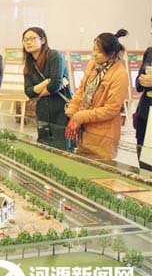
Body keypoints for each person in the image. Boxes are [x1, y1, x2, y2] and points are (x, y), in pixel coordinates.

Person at [65, 30, 130, 160]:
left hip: (103, 135)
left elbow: (111, 109)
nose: (94, 54)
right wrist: (72, 112)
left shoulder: (120, 74)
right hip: (84, 130)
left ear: (111, 54)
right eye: (94, 50)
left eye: (99, 52)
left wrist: (81, 116)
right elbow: (81, 90)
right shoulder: (93, 65)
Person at [22, 27, 72, 149]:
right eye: (25, 40)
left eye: (32, 38)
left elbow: (55, 84)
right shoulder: (29, 64)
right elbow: (28, 92)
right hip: (42, 110)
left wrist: (37, 92)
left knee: (61, 146)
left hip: (61, 110)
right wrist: (45, 82)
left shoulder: (54, 55)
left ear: (43, 40)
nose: (28, 42)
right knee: (44, 145)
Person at [134, 31, 152, 170]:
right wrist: (141, 80)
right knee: (145, 165)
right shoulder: (149, 52)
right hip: (145, 114)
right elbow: (138, 85)